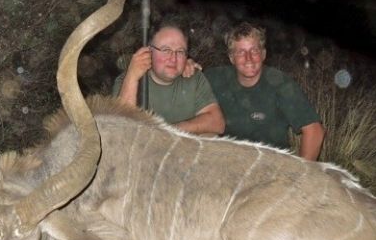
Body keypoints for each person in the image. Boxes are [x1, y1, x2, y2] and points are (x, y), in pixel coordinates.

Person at [204, 22, 325, 160]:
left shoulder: (282, 84)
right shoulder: (215, 77)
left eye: (254, 51)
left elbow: (314, 130)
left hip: (270, 165)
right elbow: (188, 82)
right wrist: (188, 66)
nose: (248, 58)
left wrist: (299, 173)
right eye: (241, 52)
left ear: (263, 54)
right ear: (231, 58)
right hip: (229, 161)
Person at [112, 21, 225, 135]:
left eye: (180, 52)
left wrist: (167, 132)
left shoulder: (194, 77)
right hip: (143, 145)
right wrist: (132, 77)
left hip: (181, 144)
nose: (173, 59)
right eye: (166, 50)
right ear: (149, 51)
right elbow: (122, 131)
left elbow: (217, 123)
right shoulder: (127, 80)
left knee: (210, 136)